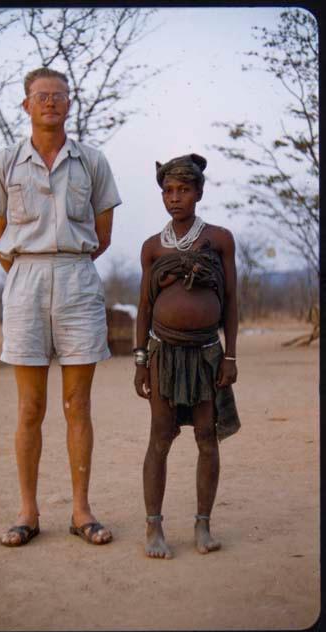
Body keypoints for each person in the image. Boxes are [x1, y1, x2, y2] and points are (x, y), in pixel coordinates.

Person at [0, 67, 121, 547]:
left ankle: (81, 511)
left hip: (78, 278)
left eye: (59, 96)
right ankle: (28, 512)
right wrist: (29, 268)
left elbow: (102, 237)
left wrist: (67, 264)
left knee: (77, 403)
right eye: (41, 96)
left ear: (69, 103)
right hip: (26, 280)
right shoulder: (5, 163)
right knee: (30, 406)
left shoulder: (93, 162)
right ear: (26, 105)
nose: (51, 103)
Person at [134, 154, 241, 559]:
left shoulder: (219, 239)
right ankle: (153, 529)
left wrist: (231, 356)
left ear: (199, 192)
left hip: (206, 356)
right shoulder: (151, 248)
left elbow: (230, 301)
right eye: (168, 191)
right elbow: (143, 308)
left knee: (206, 439)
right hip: (164, 354)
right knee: (160, 437)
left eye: (183, 190)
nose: (174, 198)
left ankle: (203, 525)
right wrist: (141, 359)